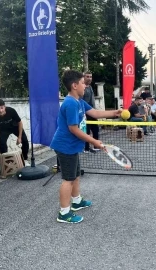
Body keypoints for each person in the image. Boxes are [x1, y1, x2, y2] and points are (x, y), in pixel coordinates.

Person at [50, 70, 122, 224]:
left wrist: (114, 113)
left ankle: (76, 201)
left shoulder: (79, 101)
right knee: (68, 179)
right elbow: (73, 129)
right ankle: (64, 213)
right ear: (75, 85)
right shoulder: (70, 103)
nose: (85, 86)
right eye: (83, 83)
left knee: (75, 175)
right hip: (65, 146)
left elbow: (95, 113)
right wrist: (95, 141)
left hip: (72, 146)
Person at [0, 99, 30, 165]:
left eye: (2, 108)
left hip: (15, 127)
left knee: (25, 141)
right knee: (2, 145)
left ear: (4, 107)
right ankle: (6, 163)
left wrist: (19, 137)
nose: (0, 110)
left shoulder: (11, 111)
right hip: (4, 130)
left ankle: (25, 160)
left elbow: (20, 123)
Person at [82, 71, 99, 153]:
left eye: (90, 77)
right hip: (86, 113)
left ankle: (96, 146)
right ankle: (86, 148)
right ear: (83, 77)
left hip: (92, 112)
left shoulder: (90, 87)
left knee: (96, 129)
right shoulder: (82, 88)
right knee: (87, 131)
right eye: (87, 76)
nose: (89, 78)